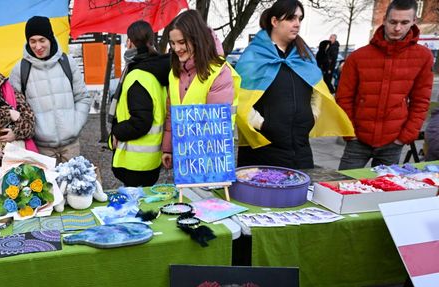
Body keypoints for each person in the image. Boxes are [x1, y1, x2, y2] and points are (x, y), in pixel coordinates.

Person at [235, 0, 353, 169]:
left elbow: (317, 91)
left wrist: (311, 117)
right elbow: (239, 100)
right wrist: (264, 125)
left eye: (300, 18)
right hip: (264, 149)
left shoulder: (304, 56)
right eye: (291, 18)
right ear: (275, 22)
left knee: (301, 194)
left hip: (301, 149)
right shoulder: (253, 57)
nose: (297, 24)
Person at [336, 0, 433, 170]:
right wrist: (349, 132)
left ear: (414, 22)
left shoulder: (423, 56)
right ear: (384, 19)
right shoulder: (358, 57)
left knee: (384, 193)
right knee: (341, 185)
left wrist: (405, 137)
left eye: (404, 23)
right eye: (393, 22)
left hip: (393, 140)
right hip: (358, 138)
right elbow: (343, 98)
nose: (397, 28)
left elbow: (421, 101)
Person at [161, 9, 239, 170]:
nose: (176, 48)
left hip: (210, 162)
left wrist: (191, 158)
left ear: (197, 40)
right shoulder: (174, 73)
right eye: (173, 43)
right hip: (185, 159)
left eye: (182, 42)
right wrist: (168, 148)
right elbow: (171, 114)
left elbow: (215, 125)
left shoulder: (219, 72)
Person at [9, 15, 91, 164]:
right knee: (47, 187)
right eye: (32, 41)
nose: (38, 47)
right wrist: (33, 132)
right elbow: (15, 108)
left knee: (73, 187)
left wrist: (75, 125)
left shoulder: (68, 62)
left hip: (71, 146)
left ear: (50, 39)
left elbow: (82, 97)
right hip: (40, 149)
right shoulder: (20, 70)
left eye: (42, 40)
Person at [109, 20, 170, 187]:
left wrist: (116, 132)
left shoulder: (138, 76)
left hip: (135, 163)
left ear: (129, 42)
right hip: (150, 160)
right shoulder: (155, 70)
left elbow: (141, 122)